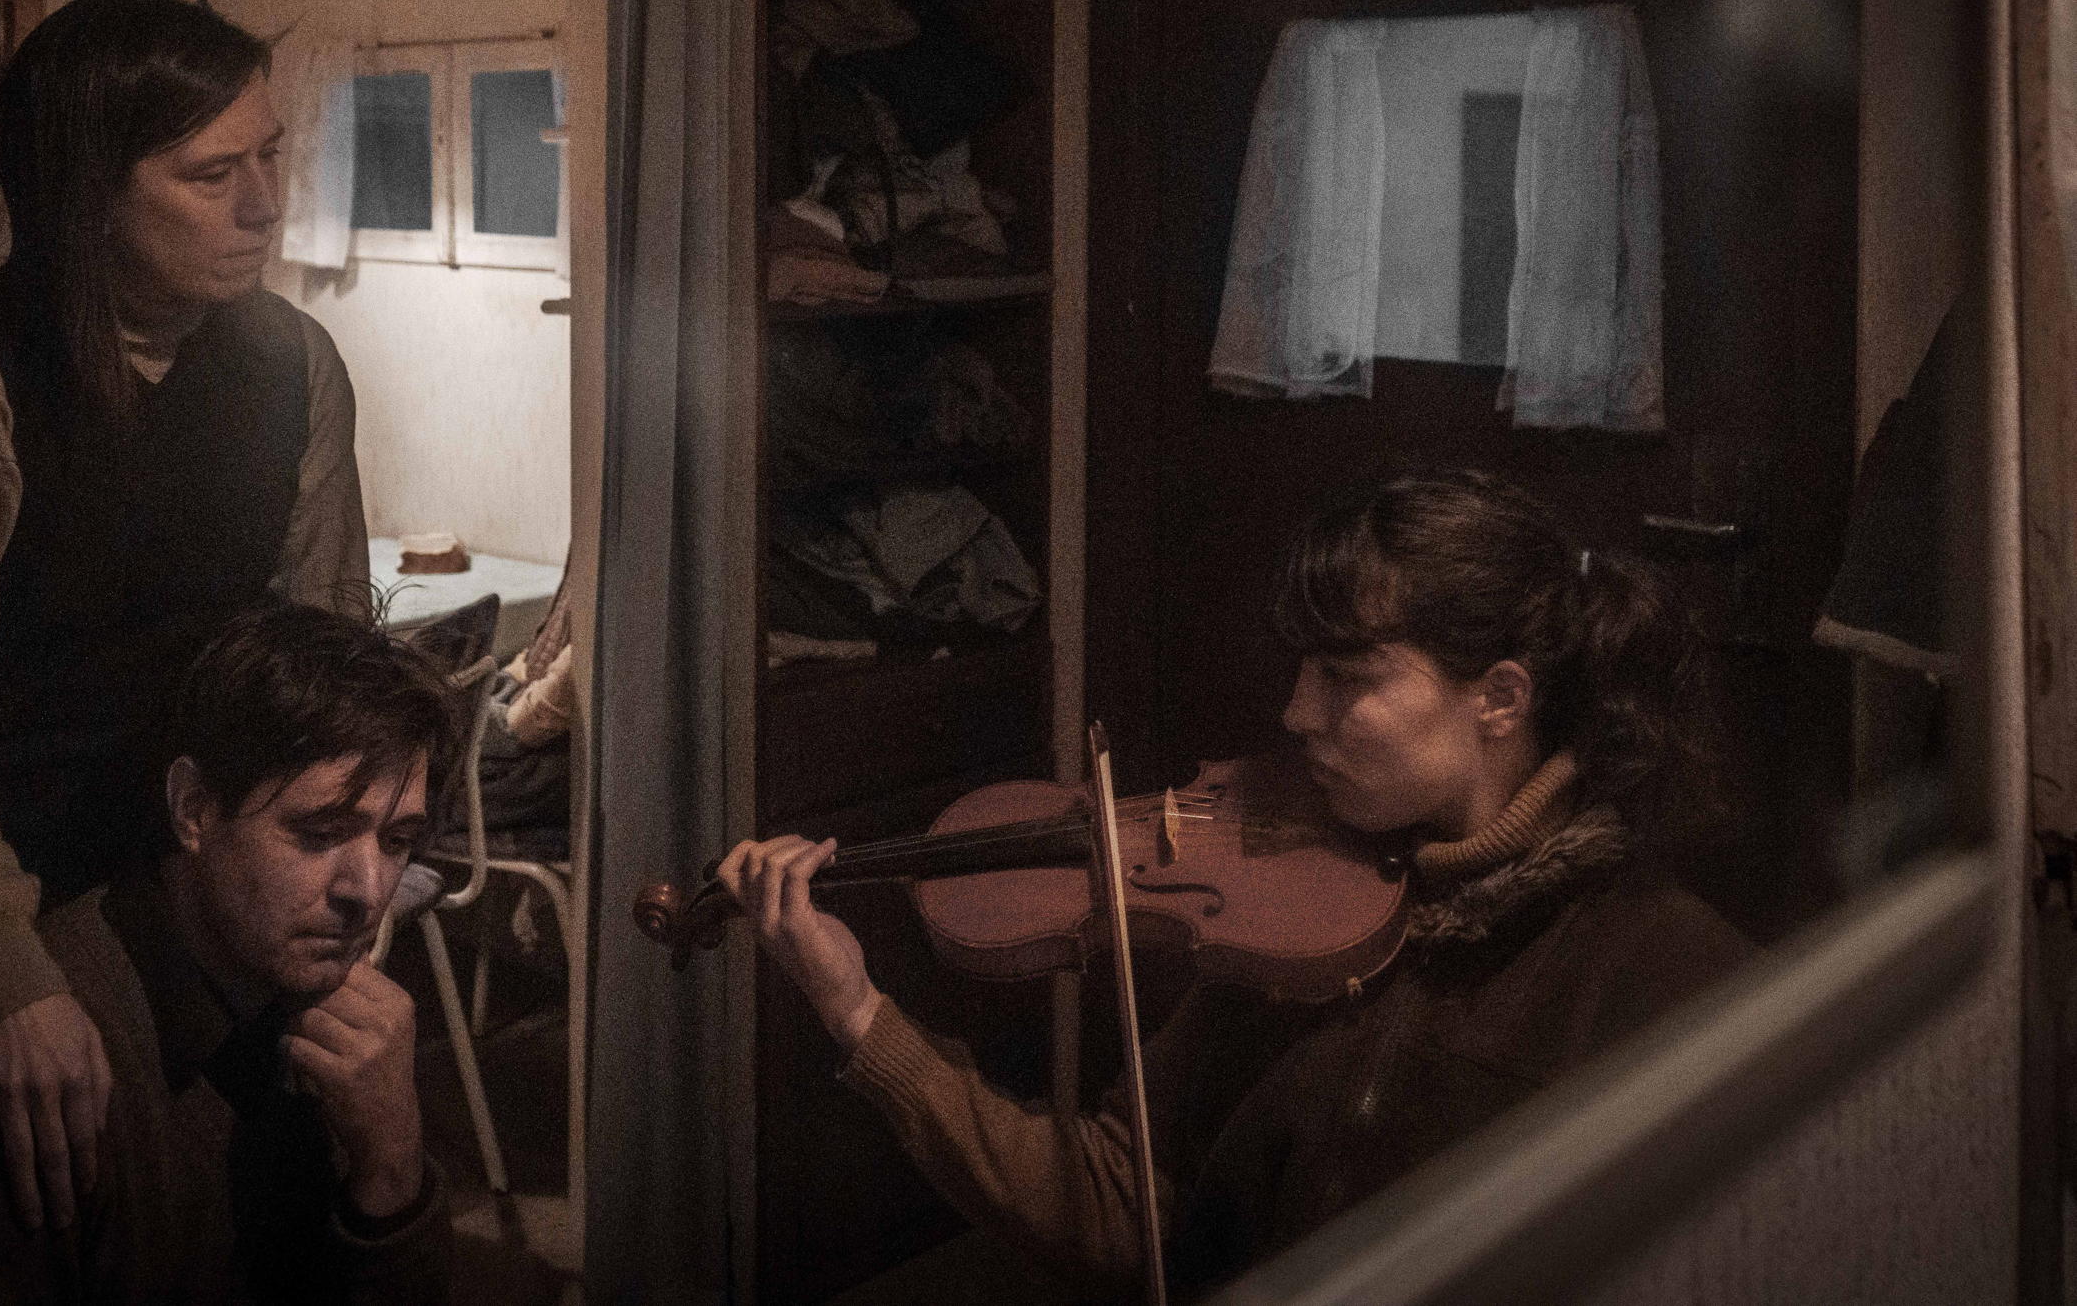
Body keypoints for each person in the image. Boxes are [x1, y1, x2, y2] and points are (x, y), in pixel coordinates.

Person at [719, 468, 1754, 1299]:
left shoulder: (1664, 971)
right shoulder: (1290, 909)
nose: (1296, 712)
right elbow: (1117, 1205)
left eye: (1346, 675)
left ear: (1500, 698)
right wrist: (858, 1011)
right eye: (1302, 668)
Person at [0, 0, 369, 1231]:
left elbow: (329, 670)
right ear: (90, 194)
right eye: (211, 173)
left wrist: (344, 866)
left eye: (270, 155)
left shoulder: (293, 363)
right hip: (23, 903)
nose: (262, 202)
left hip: (209, 907)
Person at [0, 600, 455, 1304]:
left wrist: (392, 1173)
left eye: (397, 841)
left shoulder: (330, 1026)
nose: (368, 890)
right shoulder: (21, 1072)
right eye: (321, 832)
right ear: (193, 810)